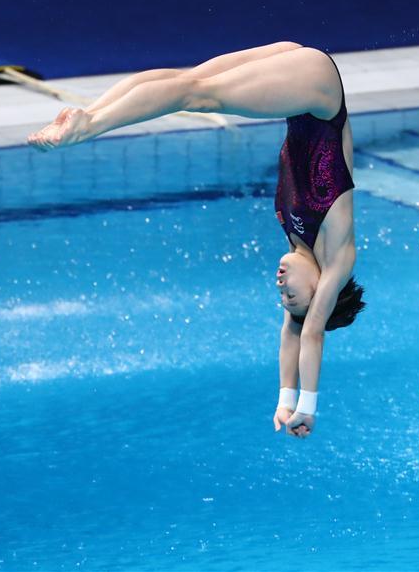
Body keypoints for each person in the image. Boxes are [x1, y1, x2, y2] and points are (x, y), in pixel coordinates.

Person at [28, 42, 365, 439]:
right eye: (292, 296)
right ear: (323, 286)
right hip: (318, 91)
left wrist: (283, 401)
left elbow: (293, 331)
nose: (280, 286)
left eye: (283, 297)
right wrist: (306, 408)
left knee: (184, 82)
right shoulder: (337, 252)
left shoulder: (299, 240)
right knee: (197, 94)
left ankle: (90, 115)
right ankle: (87, 128)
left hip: (302, 89)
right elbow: (307, 332)